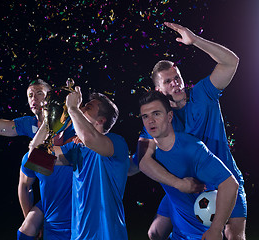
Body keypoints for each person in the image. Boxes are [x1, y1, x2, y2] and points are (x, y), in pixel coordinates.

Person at [136, 22, 246, 240]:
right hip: (185, 188)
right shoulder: (158, 118)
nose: (176, 83)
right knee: (154, 232)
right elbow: (143, 160)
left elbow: (231, 62)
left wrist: (195, 40)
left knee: (234, 235)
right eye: (168, 81)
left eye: (177, 77)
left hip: (221, 180)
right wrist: (178, 184)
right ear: (159, 89)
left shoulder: (203, 94)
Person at [0, 78, 75, 239]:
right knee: (26, 229)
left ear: (52, 96)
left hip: (75, 193)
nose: (33, 99)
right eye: (29, 95)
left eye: (39, 94)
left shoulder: (73, 121)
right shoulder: (30, 124)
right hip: (50, 193)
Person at [30, 86, 130, 239]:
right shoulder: (75, 148)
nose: (81, 108)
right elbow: (35, 157)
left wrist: (72, 108)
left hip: (108, 235)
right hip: (78, 236)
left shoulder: (117, 143)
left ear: (101, 121)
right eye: (82, 106)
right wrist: (49, 122)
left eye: (87, 107)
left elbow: (89, 138)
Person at [140, 90, 239, 240]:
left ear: (169, 117)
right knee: (154, 234)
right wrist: (178, 183)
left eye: (156, 114)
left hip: (202, 233)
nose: (150, 121)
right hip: (179, 233)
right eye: (145, 116)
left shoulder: (192, 148)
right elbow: (141, 164)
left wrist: (216, 229)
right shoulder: (150, 152)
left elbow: (230, 184)